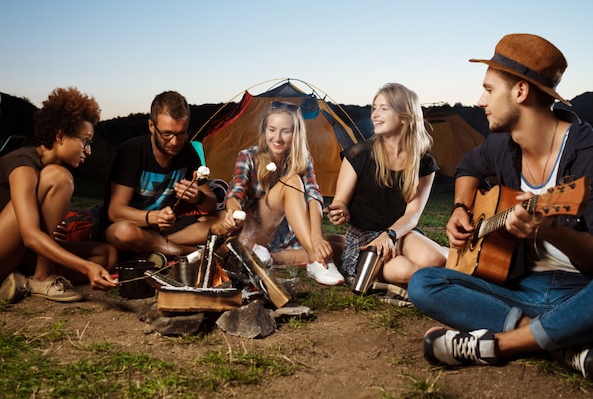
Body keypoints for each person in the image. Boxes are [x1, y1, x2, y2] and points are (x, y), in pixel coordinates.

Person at [407, 33, 593, 380]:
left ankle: (501, 345)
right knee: (423, 283)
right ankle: (560, 341)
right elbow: (468, 168)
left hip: (581, 293)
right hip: (519, 288)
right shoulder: (501, 145)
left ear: (520, 91)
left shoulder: (587, 156)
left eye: (489, 90)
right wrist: (461, 207)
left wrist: (552, 229)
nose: (480, 101)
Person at [0, 87, 118, 303]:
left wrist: (51, 229)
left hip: (10, 251)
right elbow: (29, 235)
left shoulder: (44, 170)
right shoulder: (24, 165)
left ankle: (22, 281)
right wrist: (86, 267)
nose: (88, 151)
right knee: (59, 177)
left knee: (106, 255)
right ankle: (43, 278)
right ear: (60, 135)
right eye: (85, 141)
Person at [327, 83, 448, 287]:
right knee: (407, 271)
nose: (375, 114)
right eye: (374, 107)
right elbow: (339, 201)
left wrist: (390, 235)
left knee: (435, 259)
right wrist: (339, 211)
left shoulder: (424, 163)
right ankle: (448, 282)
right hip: (365, 243)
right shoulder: (358, 154)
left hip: (400, 234)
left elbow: (412, 215)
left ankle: (462, 263)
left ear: (404, 116)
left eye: (384, 108)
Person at [219, 101, 345, 285]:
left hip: (283, 235)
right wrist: (232, 211)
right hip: (254, 232)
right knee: (291, 181)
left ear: (296, 134)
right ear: (264, 131)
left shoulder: (303, 159)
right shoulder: (248, 156)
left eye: (285, 131)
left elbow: (314, 196)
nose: (277, 138)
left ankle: (269, 258)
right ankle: (315, 259)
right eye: (272, 130)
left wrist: (317, 237)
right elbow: (235, 193)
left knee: (342, 243)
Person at [100, 90, 218, 259]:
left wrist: (198, 198)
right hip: (131, 226)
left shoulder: (188, 152)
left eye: (182, 133)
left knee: (222, 220)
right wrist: (154, 217)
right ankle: (182, 251)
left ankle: (156, 247)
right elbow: (115, 212)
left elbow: (211, 204)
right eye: (167, 134)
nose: (175, 142)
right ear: (151, 126)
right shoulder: (131, 152)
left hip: (165, 229)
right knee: (123, 232)